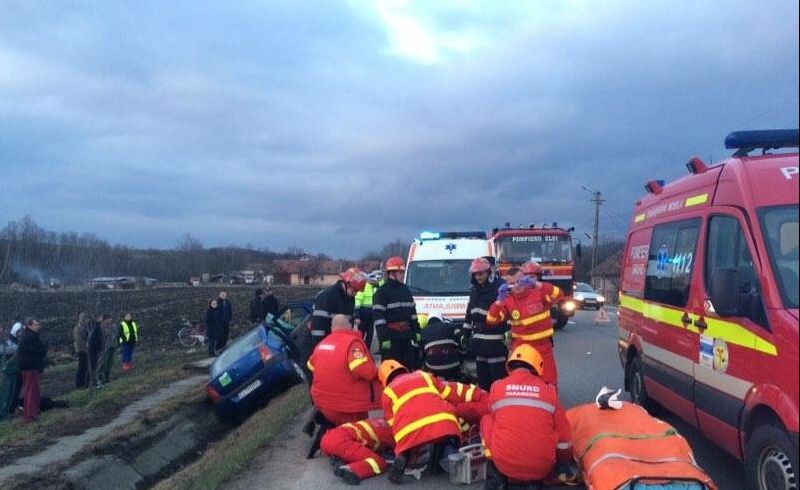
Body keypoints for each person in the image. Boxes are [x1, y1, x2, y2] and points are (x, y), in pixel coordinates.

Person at [480, 345, 576, 489]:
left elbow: (495, 417)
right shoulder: (549, 392)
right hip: (541, 468)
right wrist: (562, 463)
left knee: (487, 420)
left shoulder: (497, 387)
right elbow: (564, 437)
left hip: (504, 465)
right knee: (553, 426)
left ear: (510, 367)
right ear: (537, 368)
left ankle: (496, 474)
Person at [378, 359, 485, 484]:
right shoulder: (423, 375)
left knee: (408, 442)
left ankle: (404, 455)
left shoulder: (387, 392)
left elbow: (392, 423)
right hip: (442, 421)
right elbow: (448, 392)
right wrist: (477, 394)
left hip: (409, 430)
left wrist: (403, 444)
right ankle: (440, 461)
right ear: (403, 369)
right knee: (445, 439)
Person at [486, 266, 564, 387]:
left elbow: (559, 295)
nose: (516, 286)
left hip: (542, 346)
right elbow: (491, 320)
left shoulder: (538, 293)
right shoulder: (507, 300)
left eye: (519, 282)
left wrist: (536, 284)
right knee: (520, 383)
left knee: (548, 381)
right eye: (512, 284)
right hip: (520, 347)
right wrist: (498, 301)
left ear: (525, 279)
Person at [465, 257, 507, 391]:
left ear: (489, 272)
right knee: (483, 382)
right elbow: (470, 312)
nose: (478, 277)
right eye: (475, 274)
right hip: (479, 344)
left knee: (497, 381)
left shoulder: (499, 287)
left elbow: (505, 312)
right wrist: (465, 332)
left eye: (481, 274)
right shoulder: (474, 289)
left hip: (495, 342)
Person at [372, 257, 420, 369]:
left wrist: (416, 331)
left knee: (408, 369)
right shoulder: (381, 292)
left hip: (406, 337)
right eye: (400, 273)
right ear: (392, 273)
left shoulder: (405, 290)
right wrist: (383, 338)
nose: (403, 275)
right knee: (392, 370)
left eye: (403, 272)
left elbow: (413, 314)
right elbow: (379, 319)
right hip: (390, 338)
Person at [321, 417, 395, 485]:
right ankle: (350, 469)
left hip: (327, 438)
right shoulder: (392, 432)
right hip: (343, 443)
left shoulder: (381, 420)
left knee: (354, 454)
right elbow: (399, 451)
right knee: (379, 462)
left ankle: (338, 458)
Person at [310, 268, 368, 349]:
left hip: (336, 343)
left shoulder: (350, 298)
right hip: (320, 343)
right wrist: (321, 348)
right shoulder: (327, 296)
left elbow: (348, 322)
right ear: (346, 284)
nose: (355, 294)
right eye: (354, 290)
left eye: (357, 291)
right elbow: (318, 327)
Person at [17, 318, 47, 423]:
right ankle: (30, 416)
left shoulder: (26, 336)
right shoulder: (31, 337)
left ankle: (30, 414)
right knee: (32, 392)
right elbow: (41, 351)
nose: (38, 326)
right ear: (29, 326)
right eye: (36, 325)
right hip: (30, 368)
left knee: (30, 391)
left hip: (27, 367)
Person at [419, 316, 463, 381]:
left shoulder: (423, 331)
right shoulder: (451, 326)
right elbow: (461, 342)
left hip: (433, 367)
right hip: (453, 365)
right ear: (441, 320)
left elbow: (422, 354)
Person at [354, 271, 382, 350]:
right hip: (363, 313)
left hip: (371, 313)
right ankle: (360, 348)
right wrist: (357, 316)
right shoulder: (364, 287)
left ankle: (366, 349)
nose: (377, 282)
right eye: (376, 280)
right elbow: (358, 301)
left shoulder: (375, 287)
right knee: (361, 333)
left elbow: (381, 288)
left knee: (370, 333)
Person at [96, 314, 116, 386]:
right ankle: (100, 379)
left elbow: (115, 335)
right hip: (104, 348)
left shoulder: (112, 327)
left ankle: (107, 378)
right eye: (108, 319)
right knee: (102, 364)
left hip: (112, 346)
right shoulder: (101, 328)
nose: (110, 320)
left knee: (109, 363)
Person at [73, 312, 91, 388]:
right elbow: (79, 340)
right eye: (86, 318)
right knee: (82, 366)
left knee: (88, 366)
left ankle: (86, 382)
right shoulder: (78, 328)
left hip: (88, 349)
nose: (87, 320)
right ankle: (79, 383)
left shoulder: (88, 327)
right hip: (81, 350)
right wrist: (85, 348)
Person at [87, 315, 104, 388]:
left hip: (94, 348)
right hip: (93, 349)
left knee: (94, 366)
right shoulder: (95, 327)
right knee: (94, 366)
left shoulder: (94, 326)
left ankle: (94, 381)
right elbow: (95, 338)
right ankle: (93, 382)